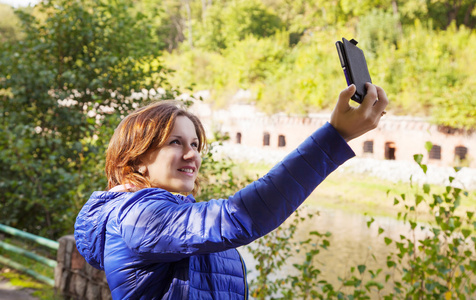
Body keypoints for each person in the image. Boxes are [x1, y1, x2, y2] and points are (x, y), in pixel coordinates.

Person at [74, 83, 388, 299]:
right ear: (138, 159)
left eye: (195, 145)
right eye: (175, 142)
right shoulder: (137, 215)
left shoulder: (176, 216)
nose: (192, 154)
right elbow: (240, 218)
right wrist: (333, 138)